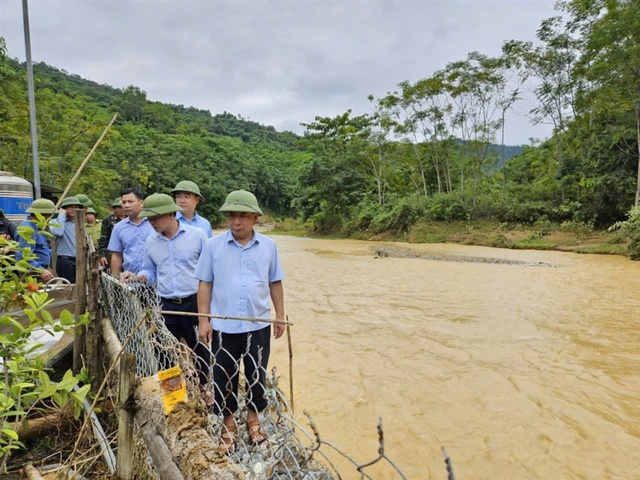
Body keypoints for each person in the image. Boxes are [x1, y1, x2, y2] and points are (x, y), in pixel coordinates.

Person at [195, 189, 285, 453]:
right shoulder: (213, 246)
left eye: (243, 216)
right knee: (224, 376)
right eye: (232, 216)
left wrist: (279, 315)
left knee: (257, 374)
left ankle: (253, 418)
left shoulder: (269, 246)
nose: (237, 221)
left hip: (258, 325)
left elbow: (275, 281)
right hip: (224, 326)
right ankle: (228, 422)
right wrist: (204, 320)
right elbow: (205, 284)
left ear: (255, 217)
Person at [121, 193, 211, 399]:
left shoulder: (197, 236)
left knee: (200, 349)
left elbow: (209, 272)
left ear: (171, 214)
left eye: (156, 217)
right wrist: (137, 277)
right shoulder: (151, 242)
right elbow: (150, 271)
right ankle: (173, 397)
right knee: (164, 351)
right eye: (149, 218)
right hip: (166, 304)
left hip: (193, 303)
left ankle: (205, 390)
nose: (151, 222)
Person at [108, 187, 154, 277]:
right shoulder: (118, 228)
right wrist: (115, 278)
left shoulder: (154, 223)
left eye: (130, 201)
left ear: (141, 203)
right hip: (129, 281)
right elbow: (117, 254)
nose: (126, 205)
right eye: (124, 202)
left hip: (154, 281)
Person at [15, 198, 56, 282]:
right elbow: (23, 256)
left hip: (41, 270)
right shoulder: (28, 229)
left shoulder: (38, 228)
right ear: (41, 215)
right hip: (33, 273)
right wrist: (40, 270)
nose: (51, 217)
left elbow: (41, 248)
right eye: (49, 215)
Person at [50, 196, 83, 283]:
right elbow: (58, 232)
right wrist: (61, 215)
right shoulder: (55, 222)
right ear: (64, 208)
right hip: (65, 260)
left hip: (80, 260)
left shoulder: (80, 223)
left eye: (76, 207)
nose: (74, 209)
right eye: (70, 207)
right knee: (69, 286)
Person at [99, 197, 125, 268]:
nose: (121, 209)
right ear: (114, 209)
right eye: (118, 207)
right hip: (112, 253)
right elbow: (103, 238)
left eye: (122, 207)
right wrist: (102, 255)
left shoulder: (131, 219)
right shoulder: (108, 220)